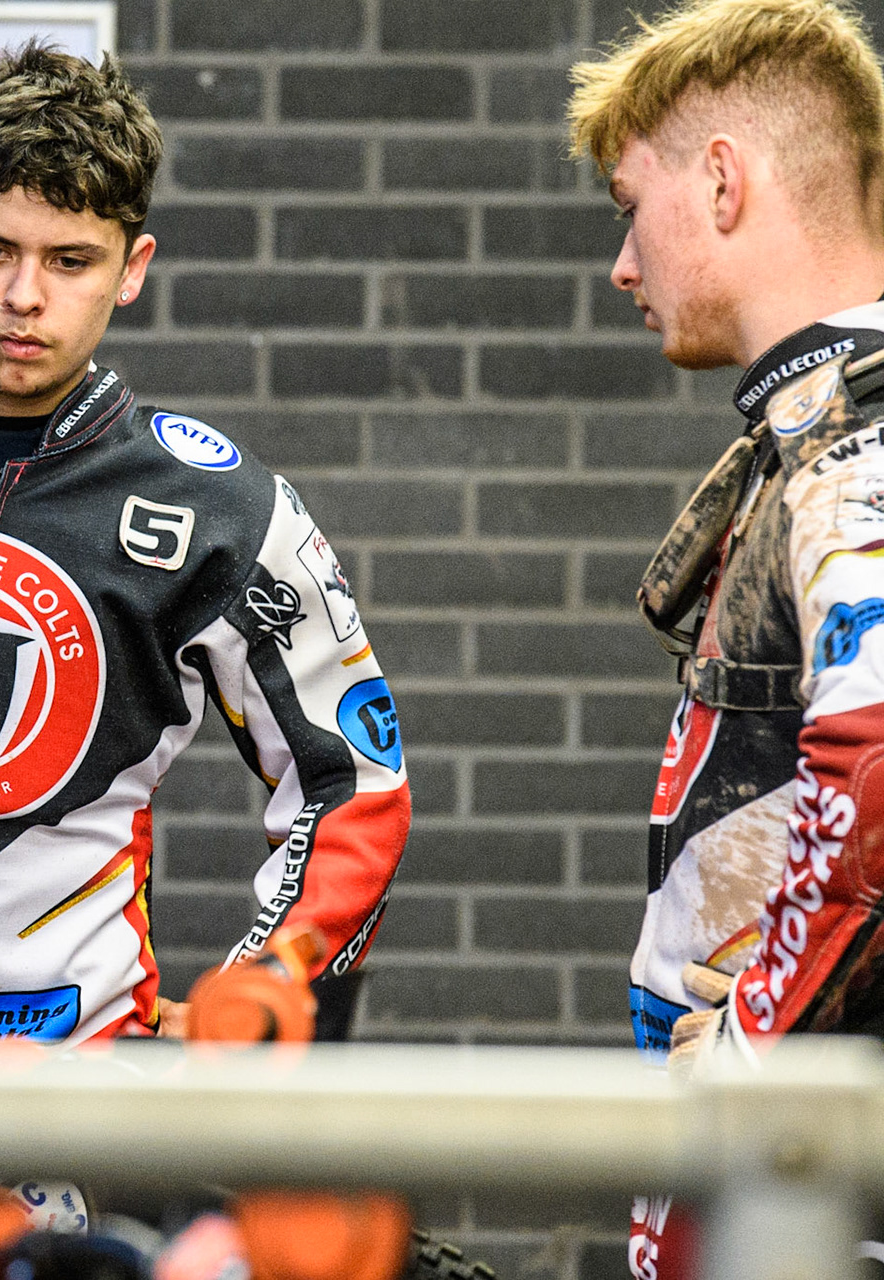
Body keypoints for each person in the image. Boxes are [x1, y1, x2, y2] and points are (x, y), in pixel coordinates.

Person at [0, 44, 412, 1069]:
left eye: (69, 261)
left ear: (133, 268)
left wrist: (257, 987)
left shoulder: (218, 507)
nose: (24, 296)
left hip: (72, 1089)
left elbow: (353, 782)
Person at [568, 0, 884, 1273]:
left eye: (629, 208)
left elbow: (874, 784)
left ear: (722, 176)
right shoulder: (808, 433)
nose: (622, 268)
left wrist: (749, 1053)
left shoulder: (857, 451)